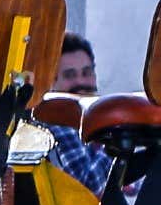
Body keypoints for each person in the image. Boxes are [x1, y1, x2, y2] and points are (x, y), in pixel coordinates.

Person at [37, 33, 118, 196]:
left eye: (86, 73)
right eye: (70, 75)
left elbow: (136, 183)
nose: (81, 82)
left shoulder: (92, 120)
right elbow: (87, 185)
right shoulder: (56, 120)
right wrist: (115, 144)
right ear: (52, 82)